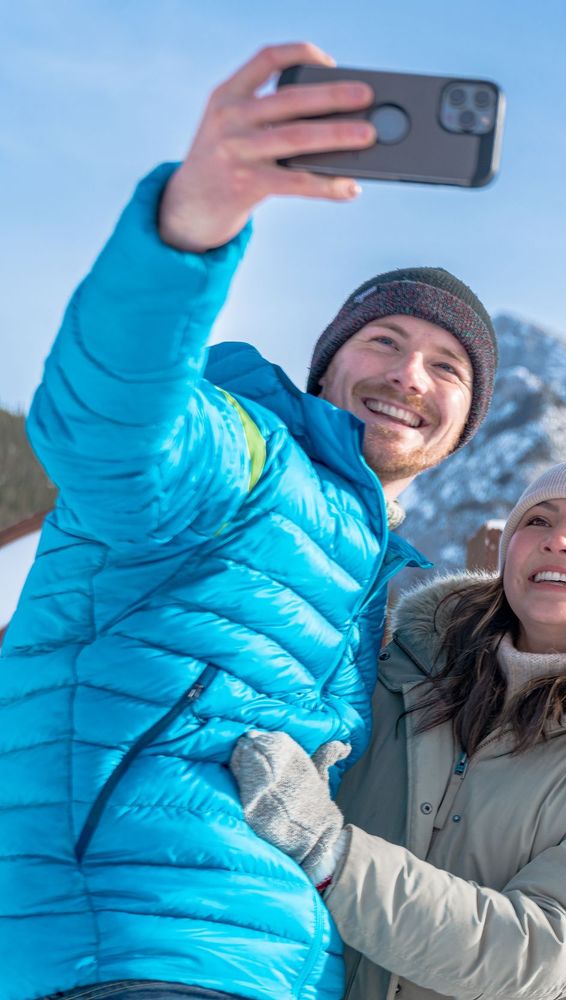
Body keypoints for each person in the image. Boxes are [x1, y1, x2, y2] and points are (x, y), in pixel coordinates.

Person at [1, 44, 499, 1000]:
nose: (410, 375)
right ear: (328, 370)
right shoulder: (244, 462)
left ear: (459, 431)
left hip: (266, 963)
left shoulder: (374, 575)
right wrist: (192, 219)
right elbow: (106, 423)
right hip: (130, 947)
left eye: (449, 367)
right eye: (386, 341)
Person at [230, 460, 566, 1000]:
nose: (558, 540)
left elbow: (540, 950)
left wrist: (330, 854)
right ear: (509, 549)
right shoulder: (398, 674)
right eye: (538, 520)